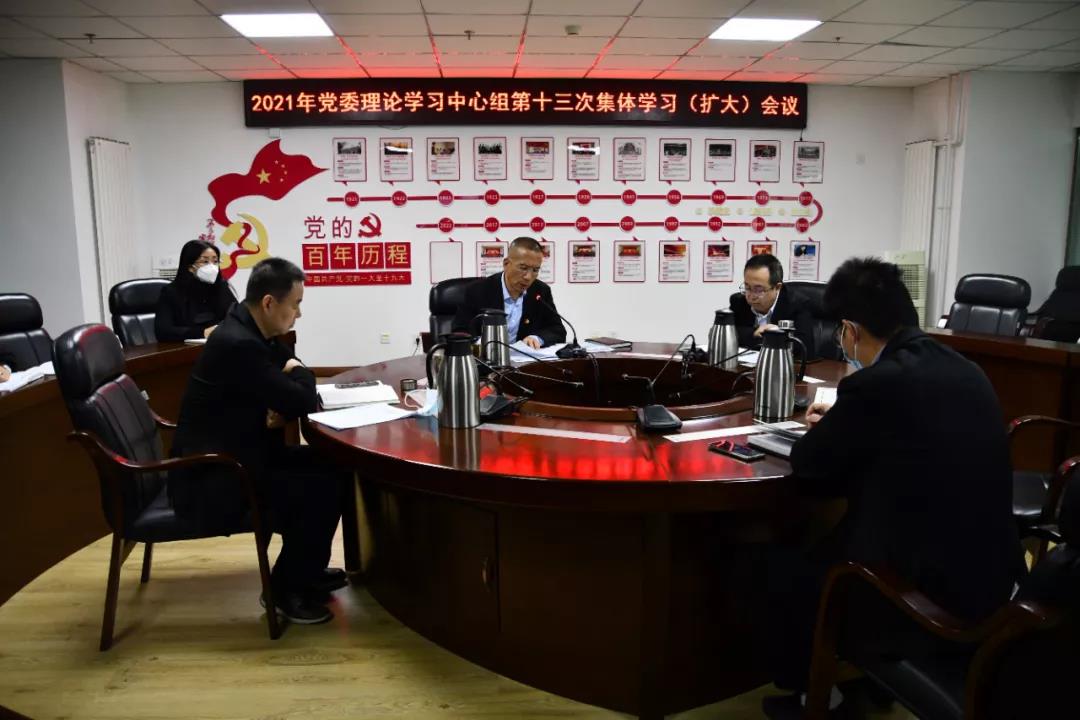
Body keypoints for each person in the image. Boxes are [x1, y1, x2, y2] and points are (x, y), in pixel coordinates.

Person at [761, 257, 1023, 718]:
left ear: (849, 330)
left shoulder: (877, 384)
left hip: (925, 592)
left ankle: (819, 699)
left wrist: (837, 425)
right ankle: (870, 681)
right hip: (994, 577)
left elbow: (810, 465)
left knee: (781, 571)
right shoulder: (965, 369)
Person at [169, 257, 346, 625]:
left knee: (334, 466)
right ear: (269, 303)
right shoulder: (238, 343)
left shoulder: (245, 324)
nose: (299, 314)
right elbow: (300, 399)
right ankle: (285, 591)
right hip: (216, 476)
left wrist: (290, 379)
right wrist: (299, 376)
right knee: (317, 488)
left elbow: (288, 366)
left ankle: (306, 571)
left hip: (242, 452)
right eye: (295, 304)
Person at [452, 236, 566, 349]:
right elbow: (460, 331)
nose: (528, 277)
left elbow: (558, 330)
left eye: (535, 270)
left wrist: (537, 338)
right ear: (506, 264)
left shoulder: (540, 292)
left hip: (524, 359)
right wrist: (481, 343)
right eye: (523, 268)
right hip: (486, 358)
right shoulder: (478, 290)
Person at [731, 253, 816, 358]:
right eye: (747, 288)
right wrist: (754, 333)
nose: (751, 296)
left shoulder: (798, 304)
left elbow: (805, 347)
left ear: (777, 287)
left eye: (759, 290)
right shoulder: (738, 301)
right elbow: (726, 334)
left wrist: (777, 335)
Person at [155, 240, 237, 342]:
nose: (212, 266)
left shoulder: (221, 287)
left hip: (219, 345)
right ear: (190, 267)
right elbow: (163, 331)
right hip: (185, 348)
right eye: (205, 262)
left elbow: (237, 317)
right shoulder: (171, 292)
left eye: (215, 261)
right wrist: (202, 333)